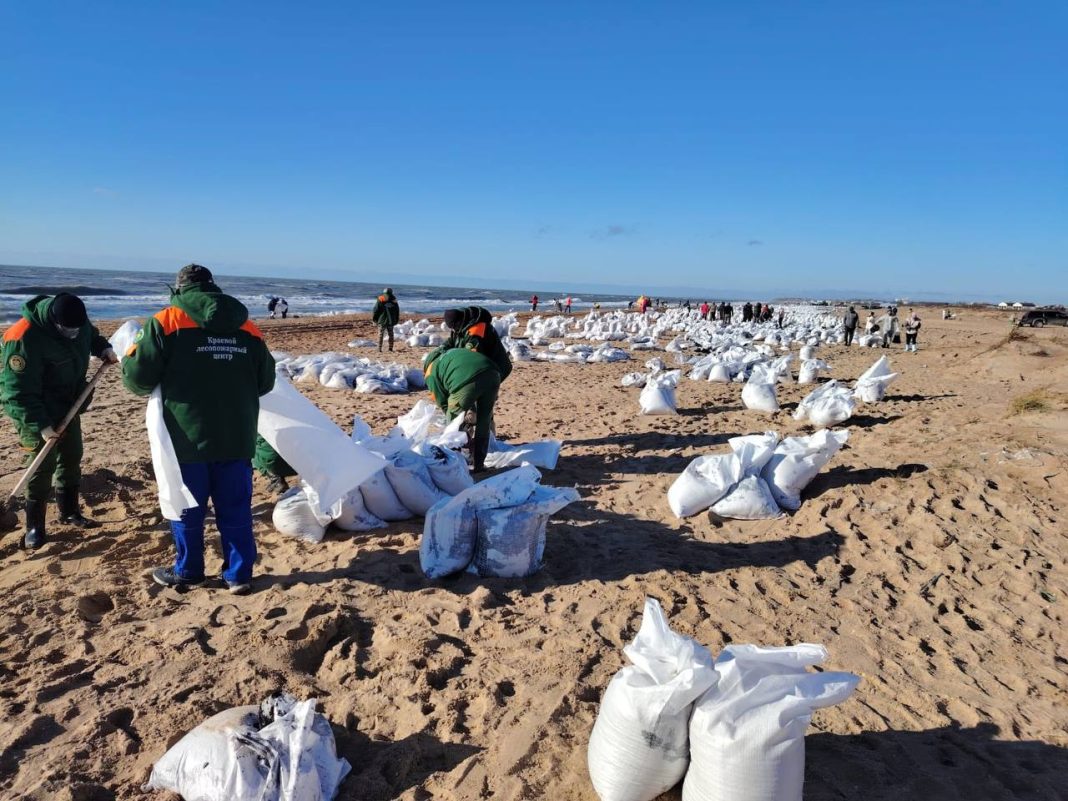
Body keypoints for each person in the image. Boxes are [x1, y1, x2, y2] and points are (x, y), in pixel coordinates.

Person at [122, 264, 275, 594]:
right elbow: (265, 381)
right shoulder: (246, 326)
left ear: (178, 288)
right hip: (237, 434)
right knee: (235, 508)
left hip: (186, 436)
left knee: (185, 506)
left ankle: (189, 571)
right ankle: (239, 575)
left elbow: (138, 378)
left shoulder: (166, 321)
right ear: (213, 286)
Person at [1, 293, 118, 549]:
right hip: (35, 410)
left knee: (72, 454)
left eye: (77, 329)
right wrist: (41, 426)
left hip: (69, 404)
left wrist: (103, 348)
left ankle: (69, 512)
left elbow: (91, 336)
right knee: (42, 466)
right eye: (68, 330)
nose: (74, 334)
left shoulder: (78, 322)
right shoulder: (23, 338)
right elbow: (16, 392)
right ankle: (35, 527)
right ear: (54, 322)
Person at [424, 347, 500, 473]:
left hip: (467, 380)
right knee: (484, 421)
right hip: (493, 373)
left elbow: (444, 404)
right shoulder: (452, 355)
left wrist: (458, 425)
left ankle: (454, 463)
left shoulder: (430, 372)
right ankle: (479, 464)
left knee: (453, 420)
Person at [433, 306, 513, 382]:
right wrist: (441, 349)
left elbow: (472, 358)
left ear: (458, 322)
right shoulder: (463, 323)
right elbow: (452, 340)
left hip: (497, 367)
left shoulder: (475, 332)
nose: (453, 330)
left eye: (453, 327)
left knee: (483, 388)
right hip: (486, 365)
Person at [372, 288, 400, 352]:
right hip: (391, 320)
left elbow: (376, 310)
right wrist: (396, 319)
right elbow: (397, 310)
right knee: (391, 334)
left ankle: (379, 349)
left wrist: (374, 319)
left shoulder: (381, 298)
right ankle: (390, 348)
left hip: (382, 320)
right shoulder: (394, 299)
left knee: (380, 335)